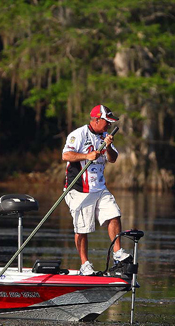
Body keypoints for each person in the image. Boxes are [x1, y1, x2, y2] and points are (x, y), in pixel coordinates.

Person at [62, 104, 131, 275]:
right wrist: (87, 156)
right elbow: (66, 155)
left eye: (110, 123)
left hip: (99, 188)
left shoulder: (105, 136)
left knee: (114, 214)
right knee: (82, 228)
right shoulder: (78, 135)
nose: (109, 125)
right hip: (79, 190)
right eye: (107, 122)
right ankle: (85, 264)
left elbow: (113, 159)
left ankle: (118, 253)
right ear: (96, 119)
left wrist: (107, 146)